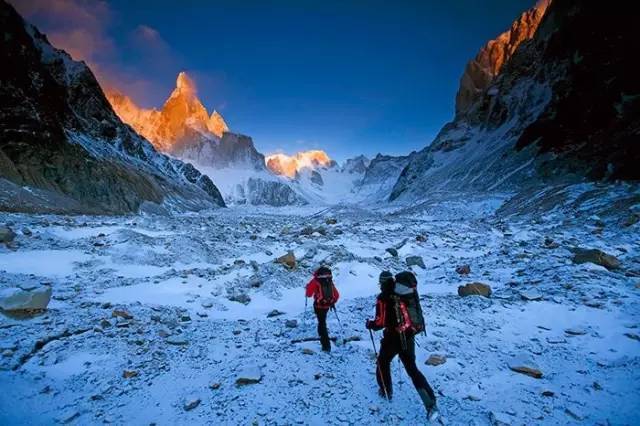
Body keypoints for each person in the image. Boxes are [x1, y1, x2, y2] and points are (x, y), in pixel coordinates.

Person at [366, 271, 439, 421]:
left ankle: (386, 390)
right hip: (408, 335)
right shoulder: (404, 293)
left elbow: (380, 323)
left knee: (383, 361)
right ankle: (430, 403)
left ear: (381, 282)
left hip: (392, 338)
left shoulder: (384, 297)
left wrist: (370, 324)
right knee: (412, 369)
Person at [305, 266, 340, 352]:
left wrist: (307, 288)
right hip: (327, 306)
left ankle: (326, 345)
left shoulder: (315, 281)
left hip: (318, 305)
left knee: (321, 323)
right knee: (322, 321)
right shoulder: (329, 281)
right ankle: (323, 336)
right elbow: (337, 295)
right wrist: (332, 302)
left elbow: (309, 294)